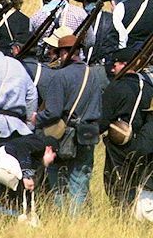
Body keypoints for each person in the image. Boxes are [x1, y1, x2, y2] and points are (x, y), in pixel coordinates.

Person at [37, 34, 108, 213]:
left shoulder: (60, 76)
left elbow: (52, 111)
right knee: (80, 182)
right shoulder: (93, 75)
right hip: (88, 133)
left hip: (64, 135)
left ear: (62, 53)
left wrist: (36, 119)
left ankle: (62, 221)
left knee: (58, 181)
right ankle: (75, 220)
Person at [100, 48, 153, 208]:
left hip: (118, 145)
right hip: (142, 144)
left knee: (116, 183)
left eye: (115, 65)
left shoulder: (115, 87)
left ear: (124, 64)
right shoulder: (149, 87)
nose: (112, 69)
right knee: (137, 182)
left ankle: (122, 215)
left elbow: (103, 120)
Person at [0, 130, 58, 222]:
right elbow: (23, 147)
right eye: (54, 157)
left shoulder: (35, 160)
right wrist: (26, 175)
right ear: (49, 149)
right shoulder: (39, 144)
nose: (53, 162)